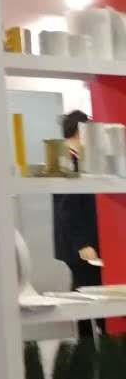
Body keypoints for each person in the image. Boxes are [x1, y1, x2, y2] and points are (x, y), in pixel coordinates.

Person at [53, 109, 105, 337]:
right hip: (80, 244)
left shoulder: (80, 158)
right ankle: (90, 345)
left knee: (87, 293)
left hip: (84, 240)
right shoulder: (65, 159)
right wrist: (82, 243)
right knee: (88, 294)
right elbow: (67, 209)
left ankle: (93, 343)